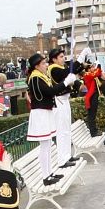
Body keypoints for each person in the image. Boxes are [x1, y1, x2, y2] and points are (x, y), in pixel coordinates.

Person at [25, 52, 68, 185]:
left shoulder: (41, 76)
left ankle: (49, 173)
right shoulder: (35, 78)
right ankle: (46, 176)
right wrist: (66, 82)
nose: (46, 65)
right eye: (43, 63)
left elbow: (50, 90)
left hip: (45, 112)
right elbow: (50, 92)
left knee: (48, 144)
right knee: (44, 146)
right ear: (36, 66)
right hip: (40, 114)